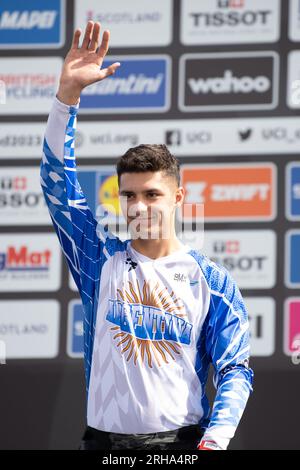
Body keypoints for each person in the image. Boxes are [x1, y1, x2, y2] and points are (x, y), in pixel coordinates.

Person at [40, 21, 254, 451]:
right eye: (129, 196)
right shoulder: (99, 260)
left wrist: (215, 440)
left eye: (152, 194)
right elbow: (57, 184)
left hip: (180, 443)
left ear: (178, 196)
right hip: (101, 444)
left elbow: (235, 369)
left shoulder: (212, 281)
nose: (139, 206)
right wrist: (68, 98)